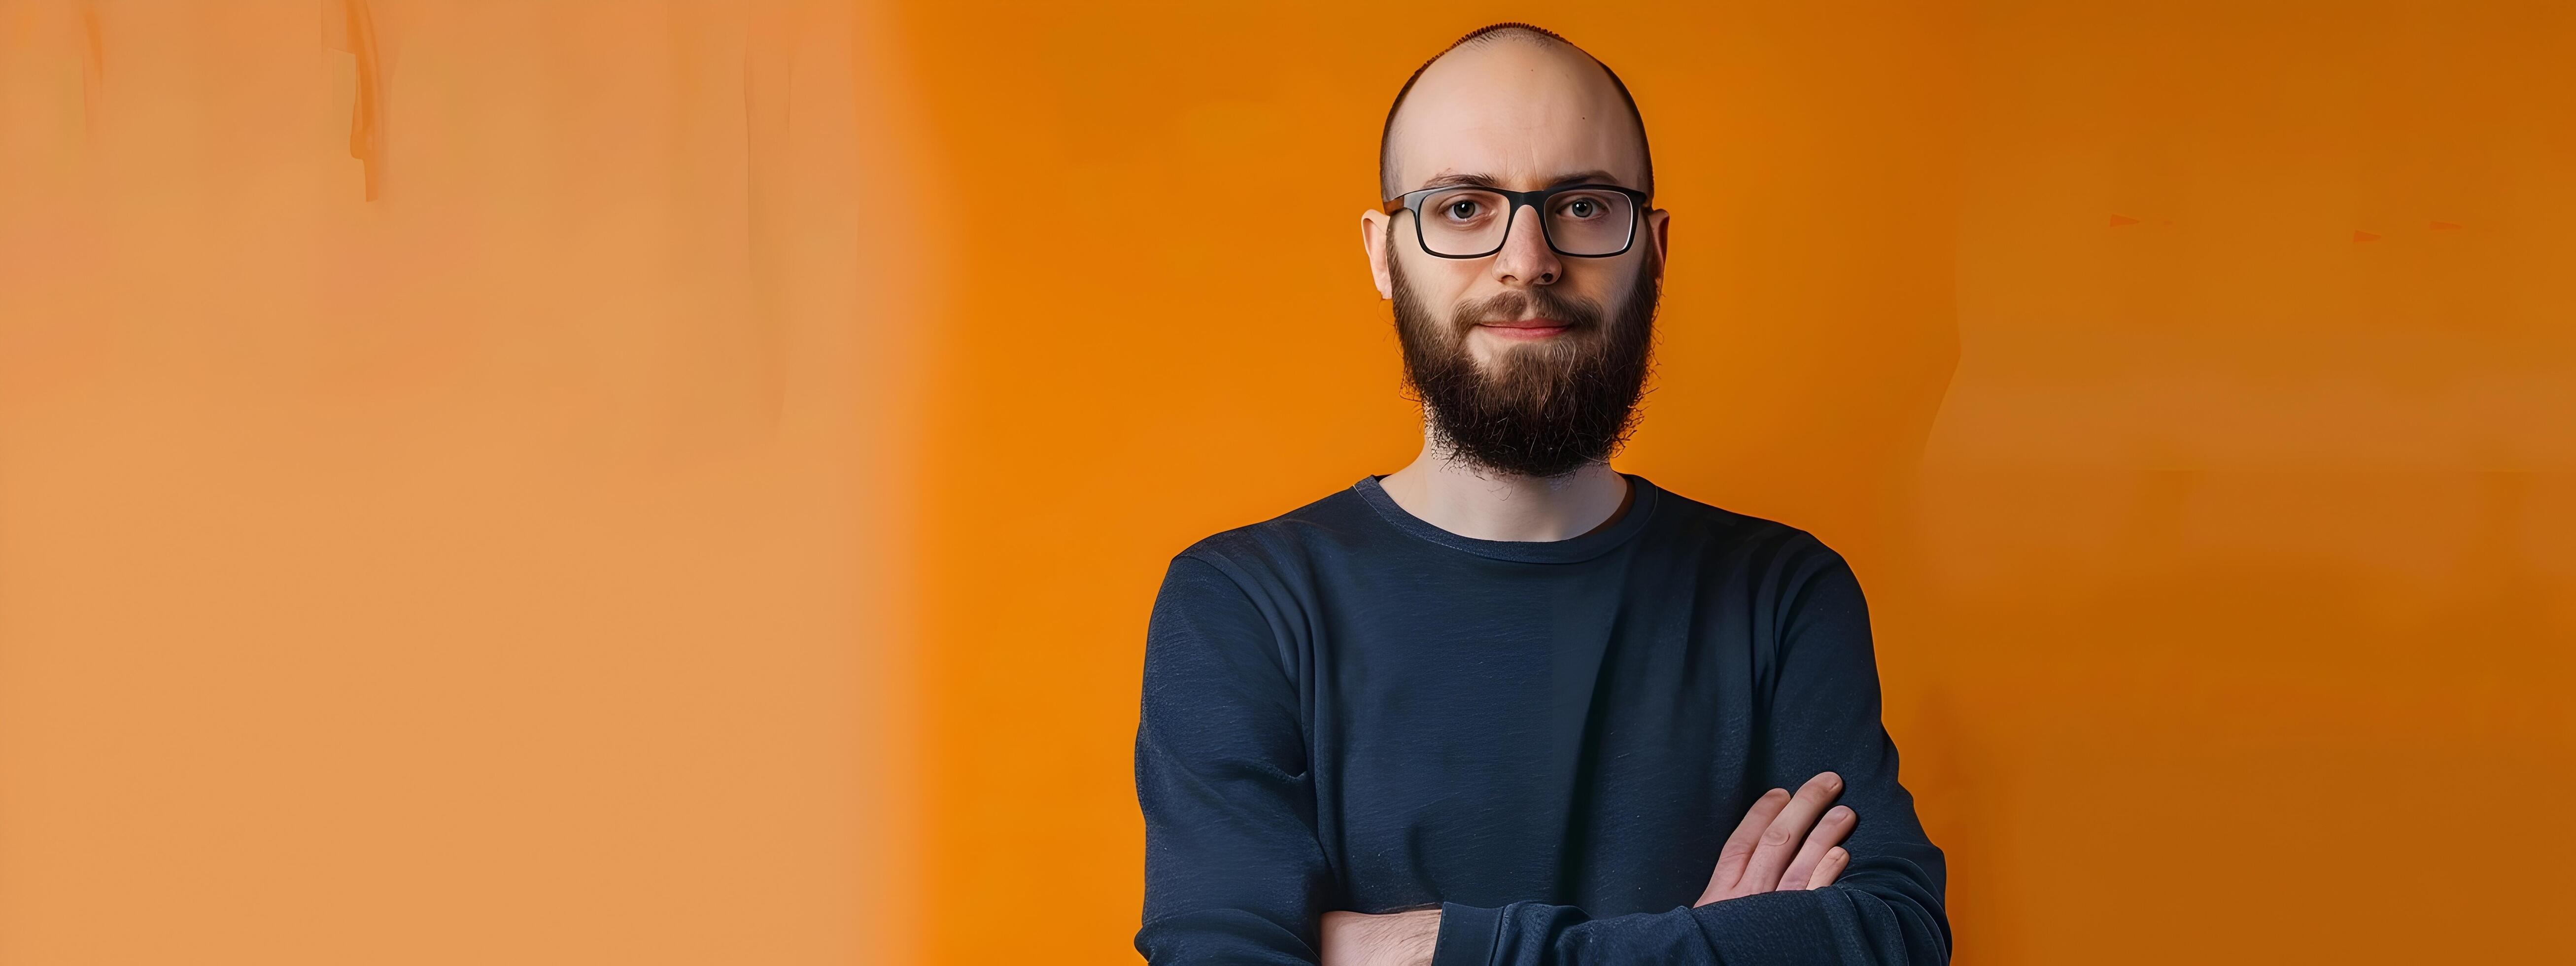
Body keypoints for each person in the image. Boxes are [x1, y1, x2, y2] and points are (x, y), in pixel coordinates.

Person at [1133, 22, 1949, 966]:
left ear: (1655, 249)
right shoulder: (1241, 604)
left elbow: (1892, 939)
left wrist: (1424, 947)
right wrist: (1710, 946)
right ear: (1382, 254)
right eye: (1466, 207)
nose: (1528, 261)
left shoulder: (1782, 592)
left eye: (1585, 205)